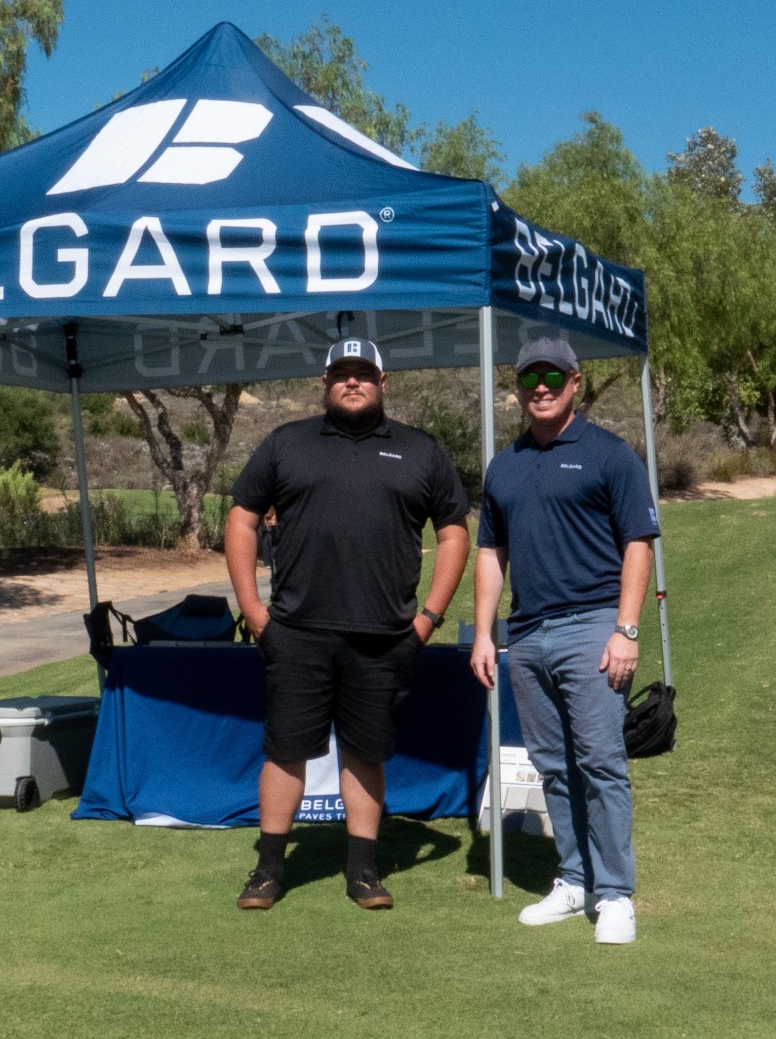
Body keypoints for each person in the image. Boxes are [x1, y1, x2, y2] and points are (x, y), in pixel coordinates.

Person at [224, 338, 471, 910]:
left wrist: (428, 619)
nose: (351, 382)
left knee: (365, 754)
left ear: (383, 382)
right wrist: (255, 613)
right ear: (325, 382)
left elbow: (454, 533)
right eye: (341, 374)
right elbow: (240, 520)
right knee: (286, 750)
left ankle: (362, 871)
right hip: (296, 633)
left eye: (362, 374)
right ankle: (268, 870)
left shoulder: (420, 449)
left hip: (385, 639)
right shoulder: (287, 443)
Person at [468, 335, 660, 944]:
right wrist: (483, 633)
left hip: (593, 626)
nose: (541, 388)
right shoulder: (505, 465)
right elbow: (491, 553)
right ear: (518, 388)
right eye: (530, 379)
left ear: (576, 382)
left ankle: (616, 893)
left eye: (553, 377)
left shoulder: (609, 454)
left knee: (600, 762)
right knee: (552, 765)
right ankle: (575, 879)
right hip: (527, 634)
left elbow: (638, 544)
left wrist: (626, 629)